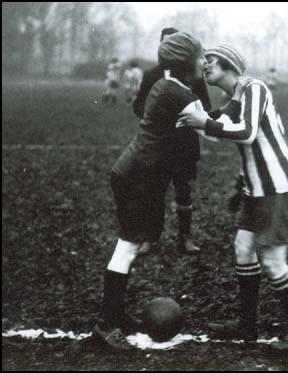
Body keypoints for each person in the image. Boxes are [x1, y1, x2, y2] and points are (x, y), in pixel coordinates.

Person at [178, 45, 288, 350]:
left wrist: (203, 122)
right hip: (256, 188)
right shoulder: (234, 98)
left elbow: (248, 133)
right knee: (243, 248)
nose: (205, 67)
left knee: (274, 261)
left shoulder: (254, 88)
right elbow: (216, 130)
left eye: (210, 63)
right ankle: (247, 326)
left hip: (277, 186)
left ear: (228, 65)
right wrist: (190, 120)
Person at [94, 32, 209, 350]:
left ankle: (114, 314)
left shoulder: (170, 86)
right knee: (128, 246)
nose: (205, 61)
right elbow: (212, 127)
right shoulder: (177, 92)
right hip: (137, 177)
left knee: (129, 245)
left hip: (136, 173)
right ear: (187, 61)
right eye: (201, 56)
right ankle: (105, 324)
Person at [133, 27, 212, 255]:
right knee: (154, 191)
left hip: (184, 143)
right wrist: (155, 115)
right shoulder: (151, 76)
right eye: (167, 44)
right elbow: (138, 105)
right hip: (158, 144)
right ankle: (150, 239)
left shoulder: (192, 75)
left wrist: (188, 114)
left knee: (183, 190)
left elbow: (205, 106)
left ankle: (185, 238)